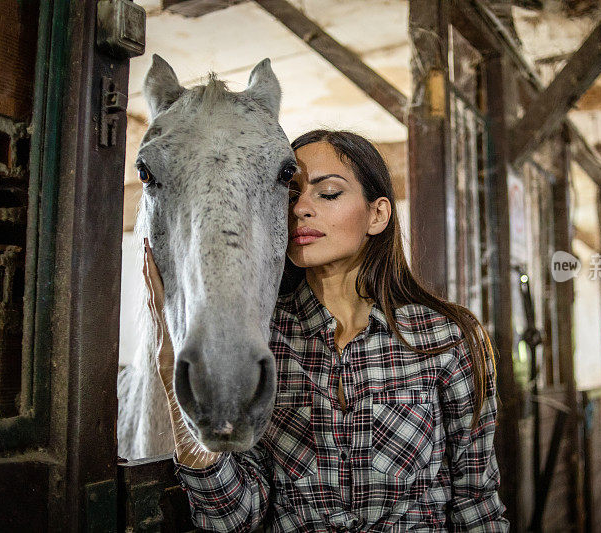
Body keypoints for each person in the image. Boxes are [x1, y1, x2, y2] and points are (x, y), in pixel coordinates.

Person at [143, 129, 510, 532]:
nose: (300, 208)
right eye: (290, 193)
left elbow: (476, 503)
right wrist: (175, 373)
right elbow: (232, 519)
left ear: (378, 215)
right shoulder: (261, 341)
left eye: (328, 193)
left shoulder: (445, 337)